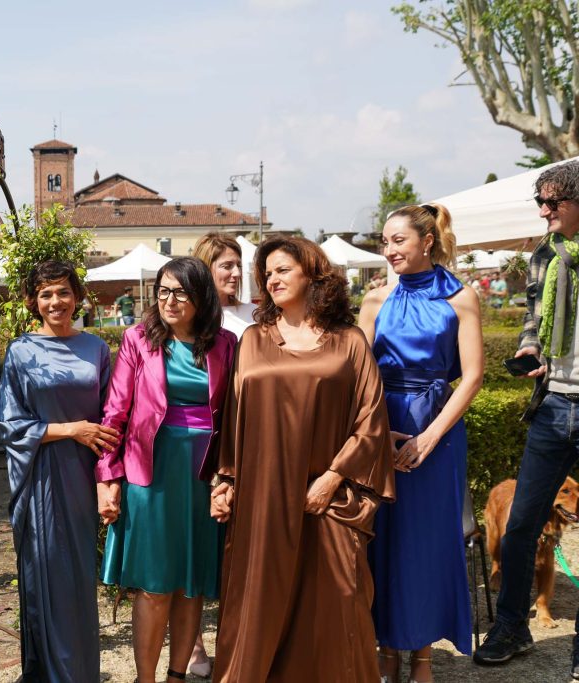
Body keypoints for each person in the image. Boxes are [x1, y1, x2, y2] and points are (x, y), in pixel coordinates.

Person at [210, 236, 394, 682]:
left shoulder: (349, 341)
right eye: (267, 273)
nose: (271, 279)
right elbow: (234, 418)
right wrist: (226, 480)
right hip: (262, 499)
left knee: (338, 602)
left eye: (282, 270)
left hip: (329, 498)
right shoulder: (252, 340)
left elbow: (372, 420)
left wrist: (332, 478)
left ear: (312, 273)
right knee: (260, 603)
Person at [97, 257, 237, 683]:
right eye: (163, 291)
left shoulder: (226, 343)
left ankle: (177, 677)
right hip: (150, 473)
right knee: (155, 586)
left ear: (201, 297)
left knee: (191, 585)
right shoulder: (138, 339)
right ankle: (145, 679)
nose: (169, 301)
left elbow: (236, 414)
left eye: (180, 292)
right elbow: (115, 413)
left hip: (203, 476)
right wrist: (108, 476)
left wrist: (229, 476)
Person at [359, 204, 483, 682]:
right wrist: (376, 432)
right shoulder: (375, 299)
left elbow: (473, 377)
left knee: (426, 543)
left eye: (398, 240)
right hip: (382, 425)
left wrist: (431, 436)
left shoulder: (462, 297)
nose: (388, 250)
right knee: (383, 539)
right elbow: (358, 375)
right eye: (384, 242)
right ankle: (387, 649)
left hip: (438, 430)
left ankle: (423, 657)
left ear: (426, 241)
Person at [474, 160, 579, 676]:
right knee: (520, 527)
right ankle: (512, 628)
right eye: (540, 201)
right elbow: (533, 319)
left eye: (552, 202)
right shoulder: (545, 254)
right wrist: (530, 347)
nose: (543, 211)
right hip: (554, 403)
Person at [0, 260, 116, 682]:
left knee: (79, 580)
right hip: (41, 479)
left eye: (63, 291)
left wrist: (108, 480)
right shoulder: (21, 351)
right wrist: (71, 430)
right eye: (45, 293)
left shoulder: (97, 349)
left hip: (82, 478)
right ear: (33, 301)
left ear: (77, 296)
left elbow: (112, 417)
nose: (55, 301)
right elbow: (9, 423)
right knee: (46, 573)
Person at [186, 231, 255, 677]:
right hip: (200, 446)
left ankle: (235, 640)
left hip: (247, 442)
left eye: (237, 264)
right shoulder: (190, 319)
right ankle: (193, 644)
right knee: (195, 547)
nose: (234, 272)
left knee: (237, 551)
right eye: (225, 264)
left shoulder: (256, 315)